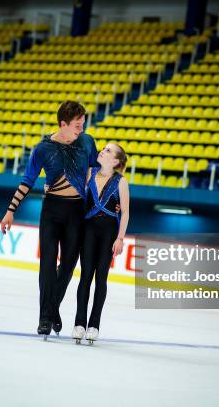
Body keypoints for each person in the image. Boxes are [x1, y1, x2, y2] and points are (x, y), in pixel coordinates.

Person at [0, 101, 98, 337]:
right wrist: (11, 210)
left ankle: (52, 308)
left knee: (67, 266)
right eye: (77, 125)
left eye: (83, 124)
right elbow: (27, 180)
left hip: (77, 211)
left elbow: (95, 171)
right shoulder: (43, 148)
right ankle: (45, 317)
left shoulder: (87, 142)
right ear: (62, 124)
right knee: (47, 264)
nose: (81, 130)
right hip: (52, 210)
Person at [72, 143, 130, 344]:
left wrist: (120, 238)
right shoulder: (90, 172)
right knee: (85, 276)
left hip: (109, 233)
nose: (102, 151)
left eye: (107, 150)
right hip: (88, 230)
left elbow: (125, 212)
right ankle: (79, 323)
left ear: (115, 161)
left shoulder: (121, 182)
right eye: (103, 148)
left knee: (101, 278)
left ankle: (94, 324)